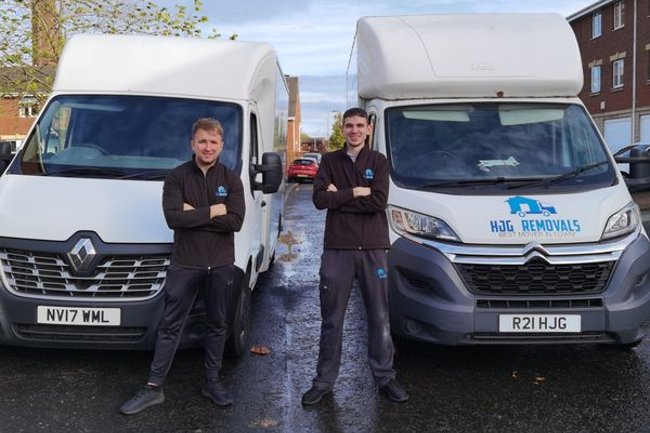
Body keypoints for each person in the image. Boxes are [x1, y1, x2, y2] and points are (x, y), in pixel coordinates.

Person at [120, 118, 245, 415]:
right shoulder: (177, 177)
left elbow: (236, 222)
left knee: (218, 325)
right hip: (185, 264)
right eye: (202, 141)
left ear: (222, 146)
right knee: (170, 326)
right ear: (192, 144)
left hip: (221, 264)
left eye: (213, 142)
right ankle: (153, 388)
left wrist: (195, 213)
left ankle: (212, 383)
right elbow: (174, 219)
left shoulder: (231, 179)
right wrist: (215, 211)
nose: (208, 147)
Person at [301, 107, 409, 405]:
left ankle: (385, 378)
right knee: (332, 319)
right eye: (349, 125)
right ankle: (323, 382)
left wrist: (342, 194)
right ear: (343, 128)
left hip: (374, 249)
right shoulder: (329, 160)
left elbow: (378, 201)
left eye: (360, 125)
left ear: (368, 129)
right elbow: (320, 199)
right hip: (338, 249)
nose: (354, 130)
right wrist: (355, 192)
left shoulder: (379, 161)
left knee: (379, 317)